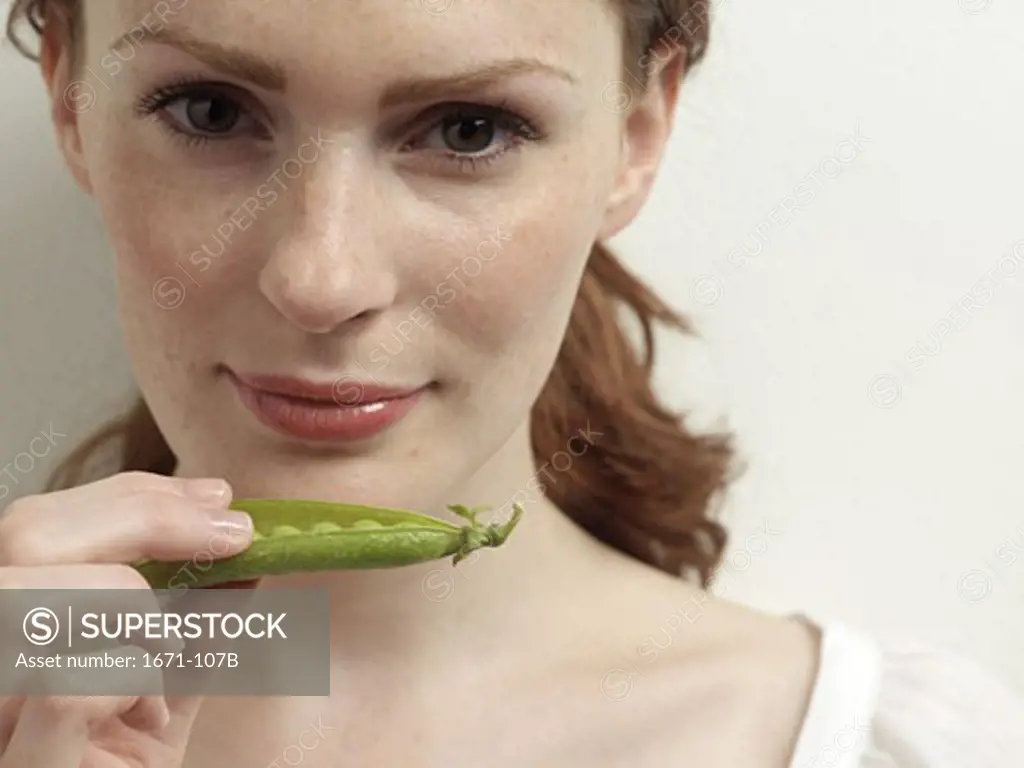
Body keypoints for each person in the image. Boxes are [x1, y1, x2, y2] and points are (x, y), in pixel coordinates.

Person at [1, 0, 1022, 765]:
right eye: (211, 110)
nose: (321, 279)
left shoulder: (867, 742)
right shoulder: (23, 692)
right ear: (69, 99)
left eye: (468, 129)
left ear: (635, 136)